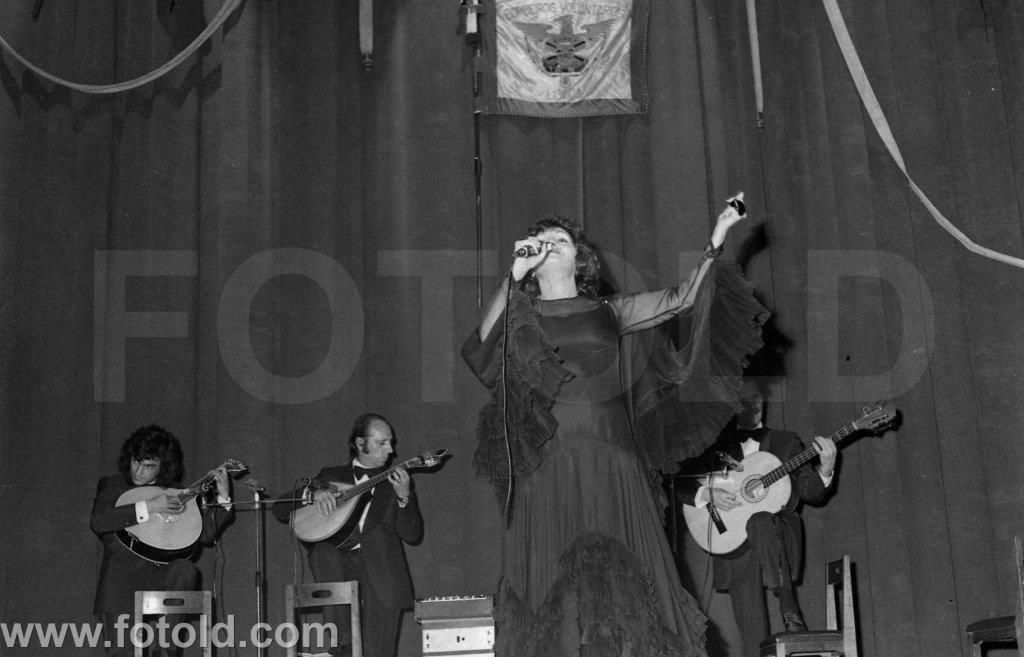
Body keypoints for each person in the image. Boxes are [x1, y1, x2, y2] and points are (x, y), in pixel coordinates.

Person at [461, 200, 768, 657]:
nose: (551, 245)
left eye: (561, 240)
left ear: (580, 258)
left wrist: (717, 237)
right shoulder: (520, 315)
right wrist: (514, 274)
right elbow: (482, 350)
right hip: (547, 466)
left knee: (629, 592)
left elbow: (681, 298)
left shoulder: (609, 311)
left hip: (611, 459)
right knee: (550, 595)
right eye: (542, 240)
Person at [676, 384, 837, 657]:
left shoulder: (786, 441)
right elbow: (679, 483)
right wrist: (706, 493)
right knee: (752, 635)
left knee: (760, 519)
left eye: (756, 396)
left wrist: (827, 467)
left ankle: (790, 611)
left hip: (775, 533)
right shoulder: (714, 446)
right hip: (732, 541)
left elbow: (810, 492)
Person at [273, 413, 423, 657]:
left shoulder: (395, 483)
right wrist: (311, 495)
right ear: (361, 443)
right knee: (322, 551)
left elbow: (413, 535)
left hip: (382, 572)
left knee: (378, 653)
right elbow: (279, 508)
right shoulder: (330, 477)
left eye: (391, 442)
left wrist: (404, 497)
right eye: (382, 443)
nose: (391, 450)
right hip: (339, 564)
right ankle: (342, 641)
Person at [90, 424, 234, 657]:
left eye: (149, 466)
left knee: (186, 569)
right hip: (121, 581)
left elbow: (205, 535)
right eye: (136, 462)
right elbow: (99, 521)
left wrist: (223, 497)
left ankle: (165, 650)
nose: (139, 472)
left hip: (163, 577)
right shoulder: (113, 485)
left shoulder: (176, 492)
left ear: (162, 467)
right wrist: (149, 506)